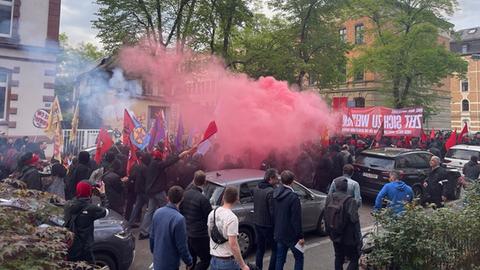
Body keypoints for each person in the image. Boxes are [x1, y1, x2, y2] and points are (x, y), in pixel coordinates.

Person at [139, 147, 195, 239]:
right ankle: (169, 228)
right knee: (169, 209)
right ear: (160, 158)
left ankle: (144, 232)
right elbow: (169, 162)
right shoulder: (157, 164)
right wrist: (182, 155)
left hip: (151, 191)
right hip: (158, 191)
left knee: (150, 211)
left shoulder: (152, 164)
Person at [64, 181, 109, 263]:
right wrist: (102, 194)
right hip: (84, 249)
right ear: (90, 192)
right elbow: (105, 211)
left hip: (70, 247)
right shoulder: (91, 208)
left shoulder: (68, 205)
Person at [150, 186, 193, 270]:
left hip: (158, 261)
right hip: (170, 263)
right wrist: (189, 261)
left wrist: (155, 253)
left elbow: (152, 237)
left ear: (167, 197)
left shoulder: (157, 212)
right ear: (182, 199)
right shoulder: (179, 219)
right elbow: (182, 246)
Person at [208, 186, 249, 270]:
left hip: (214, 259)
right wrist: (243, 265)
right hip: (227, 262)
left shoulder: (213, 212)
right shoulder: (232, 218)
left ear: (223, 197)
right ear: (237, 199)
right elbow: (233, 245)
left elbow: (210, 232)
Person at [325, 178, 361, 270]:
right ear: (346, 188)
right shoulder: (351, 201)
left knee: (338, 256)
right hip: (348, 237)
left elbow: (326, 216)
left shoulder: (329, 198)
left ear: (336, 187)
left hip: (335, 234)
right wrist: (358, 239)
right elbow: (355, 221)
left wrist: (329, 232)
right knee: (355, 257)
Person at [180, 170, 213, 270]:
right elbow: (210, 217)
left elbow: (181, 210)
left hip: (187, 232)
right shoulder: (202, 199)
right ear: (204, 182)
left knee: (191, 259)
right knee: (206, 259)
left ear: (194, 180)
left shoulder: (185, 194)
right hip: (200, 236)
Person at [273, 170, 304, 270]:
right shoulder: (293, 197)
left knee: (280, 259)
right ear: (292, 181)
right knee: (299, 257)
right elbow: (296, 219)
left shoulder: (275, 194)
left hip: (279, 233)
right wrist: (300, 236)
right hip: (292, 235)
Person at [253, 168, 278, 270]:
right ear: (271, 179)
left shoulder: (257, 187)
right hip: (268, 226)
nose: (278, 180)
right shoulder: (270, 192)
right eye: (276, 178)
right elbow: (273, 212)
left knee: (260, 248)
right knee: (275, 249)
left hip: (257, 223)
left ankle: (258, 268)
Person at [128, 152, 151, 227]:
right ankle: (146, 226)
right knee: (150, 208)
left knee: (136, 207)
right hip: (144, 191)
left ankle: (130, 223)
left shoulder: (138, 166)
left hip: (139, 190)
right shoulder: (145, 168)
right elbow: (147, 180)